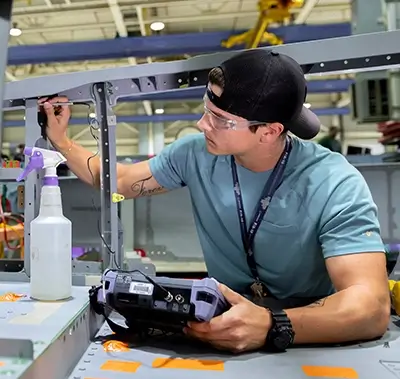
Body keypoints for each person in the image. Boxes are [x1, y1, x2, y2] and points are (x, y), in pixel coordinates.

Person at [39, 49, 390, 354]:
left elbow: (370, 306)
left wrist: (272, 324)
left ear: (269, 131)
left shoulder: (333, 181)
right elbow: (121, 183)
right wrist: (61, 140)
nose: (202, 123)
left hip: (311, 330)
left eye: (220, 119)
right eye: (207, 109)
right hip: (221, 322)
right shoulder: (196, 155)